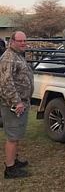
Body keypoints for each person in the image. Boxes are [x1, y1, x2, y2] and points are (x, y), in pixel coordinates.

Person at [0, 31, 34, 179]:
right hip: (13, 104)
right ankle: (10, 168)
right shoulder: (8, 58)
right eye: (19, 41)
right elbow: (5, 83)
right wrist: (17, 102)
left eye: (24, 40)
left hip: (21, 102)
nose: (23, 43)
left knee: (17, 134)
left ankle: (14, 160)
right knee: (12, 137)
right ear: (11, 41)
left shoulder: (17, 55)